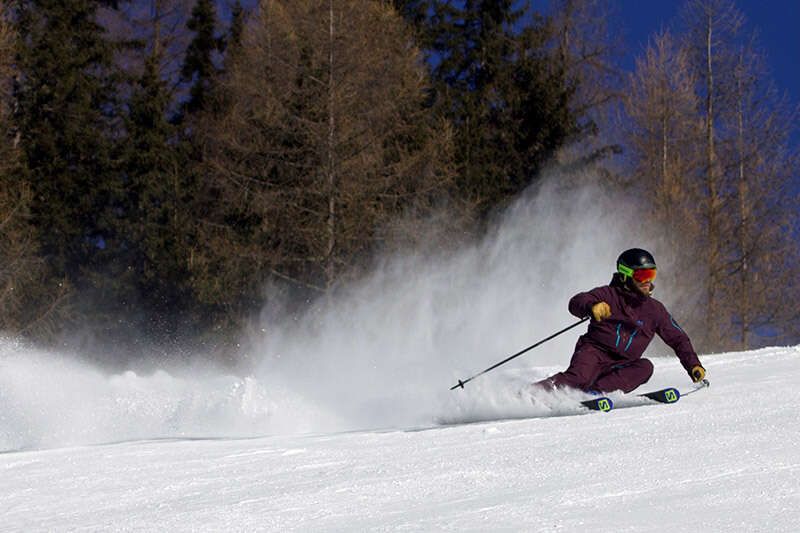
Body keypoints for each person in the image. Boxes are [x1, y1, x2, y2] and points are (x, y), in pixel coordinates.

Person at [535, 248, 706, 394]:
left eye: (651, 274)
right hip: (593, 352)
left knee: (645, 367)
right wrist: (592, 306)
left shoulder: (655, 310)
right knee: (578, 379)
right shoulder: (608, 295)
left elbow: (678, 338)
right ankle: (534, 393)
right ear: (626, 275)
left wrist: (693, 365)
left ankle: (595, 394)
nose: (648, 281)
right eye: (642, 275)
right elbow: (576, 301)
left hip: (623, 365)